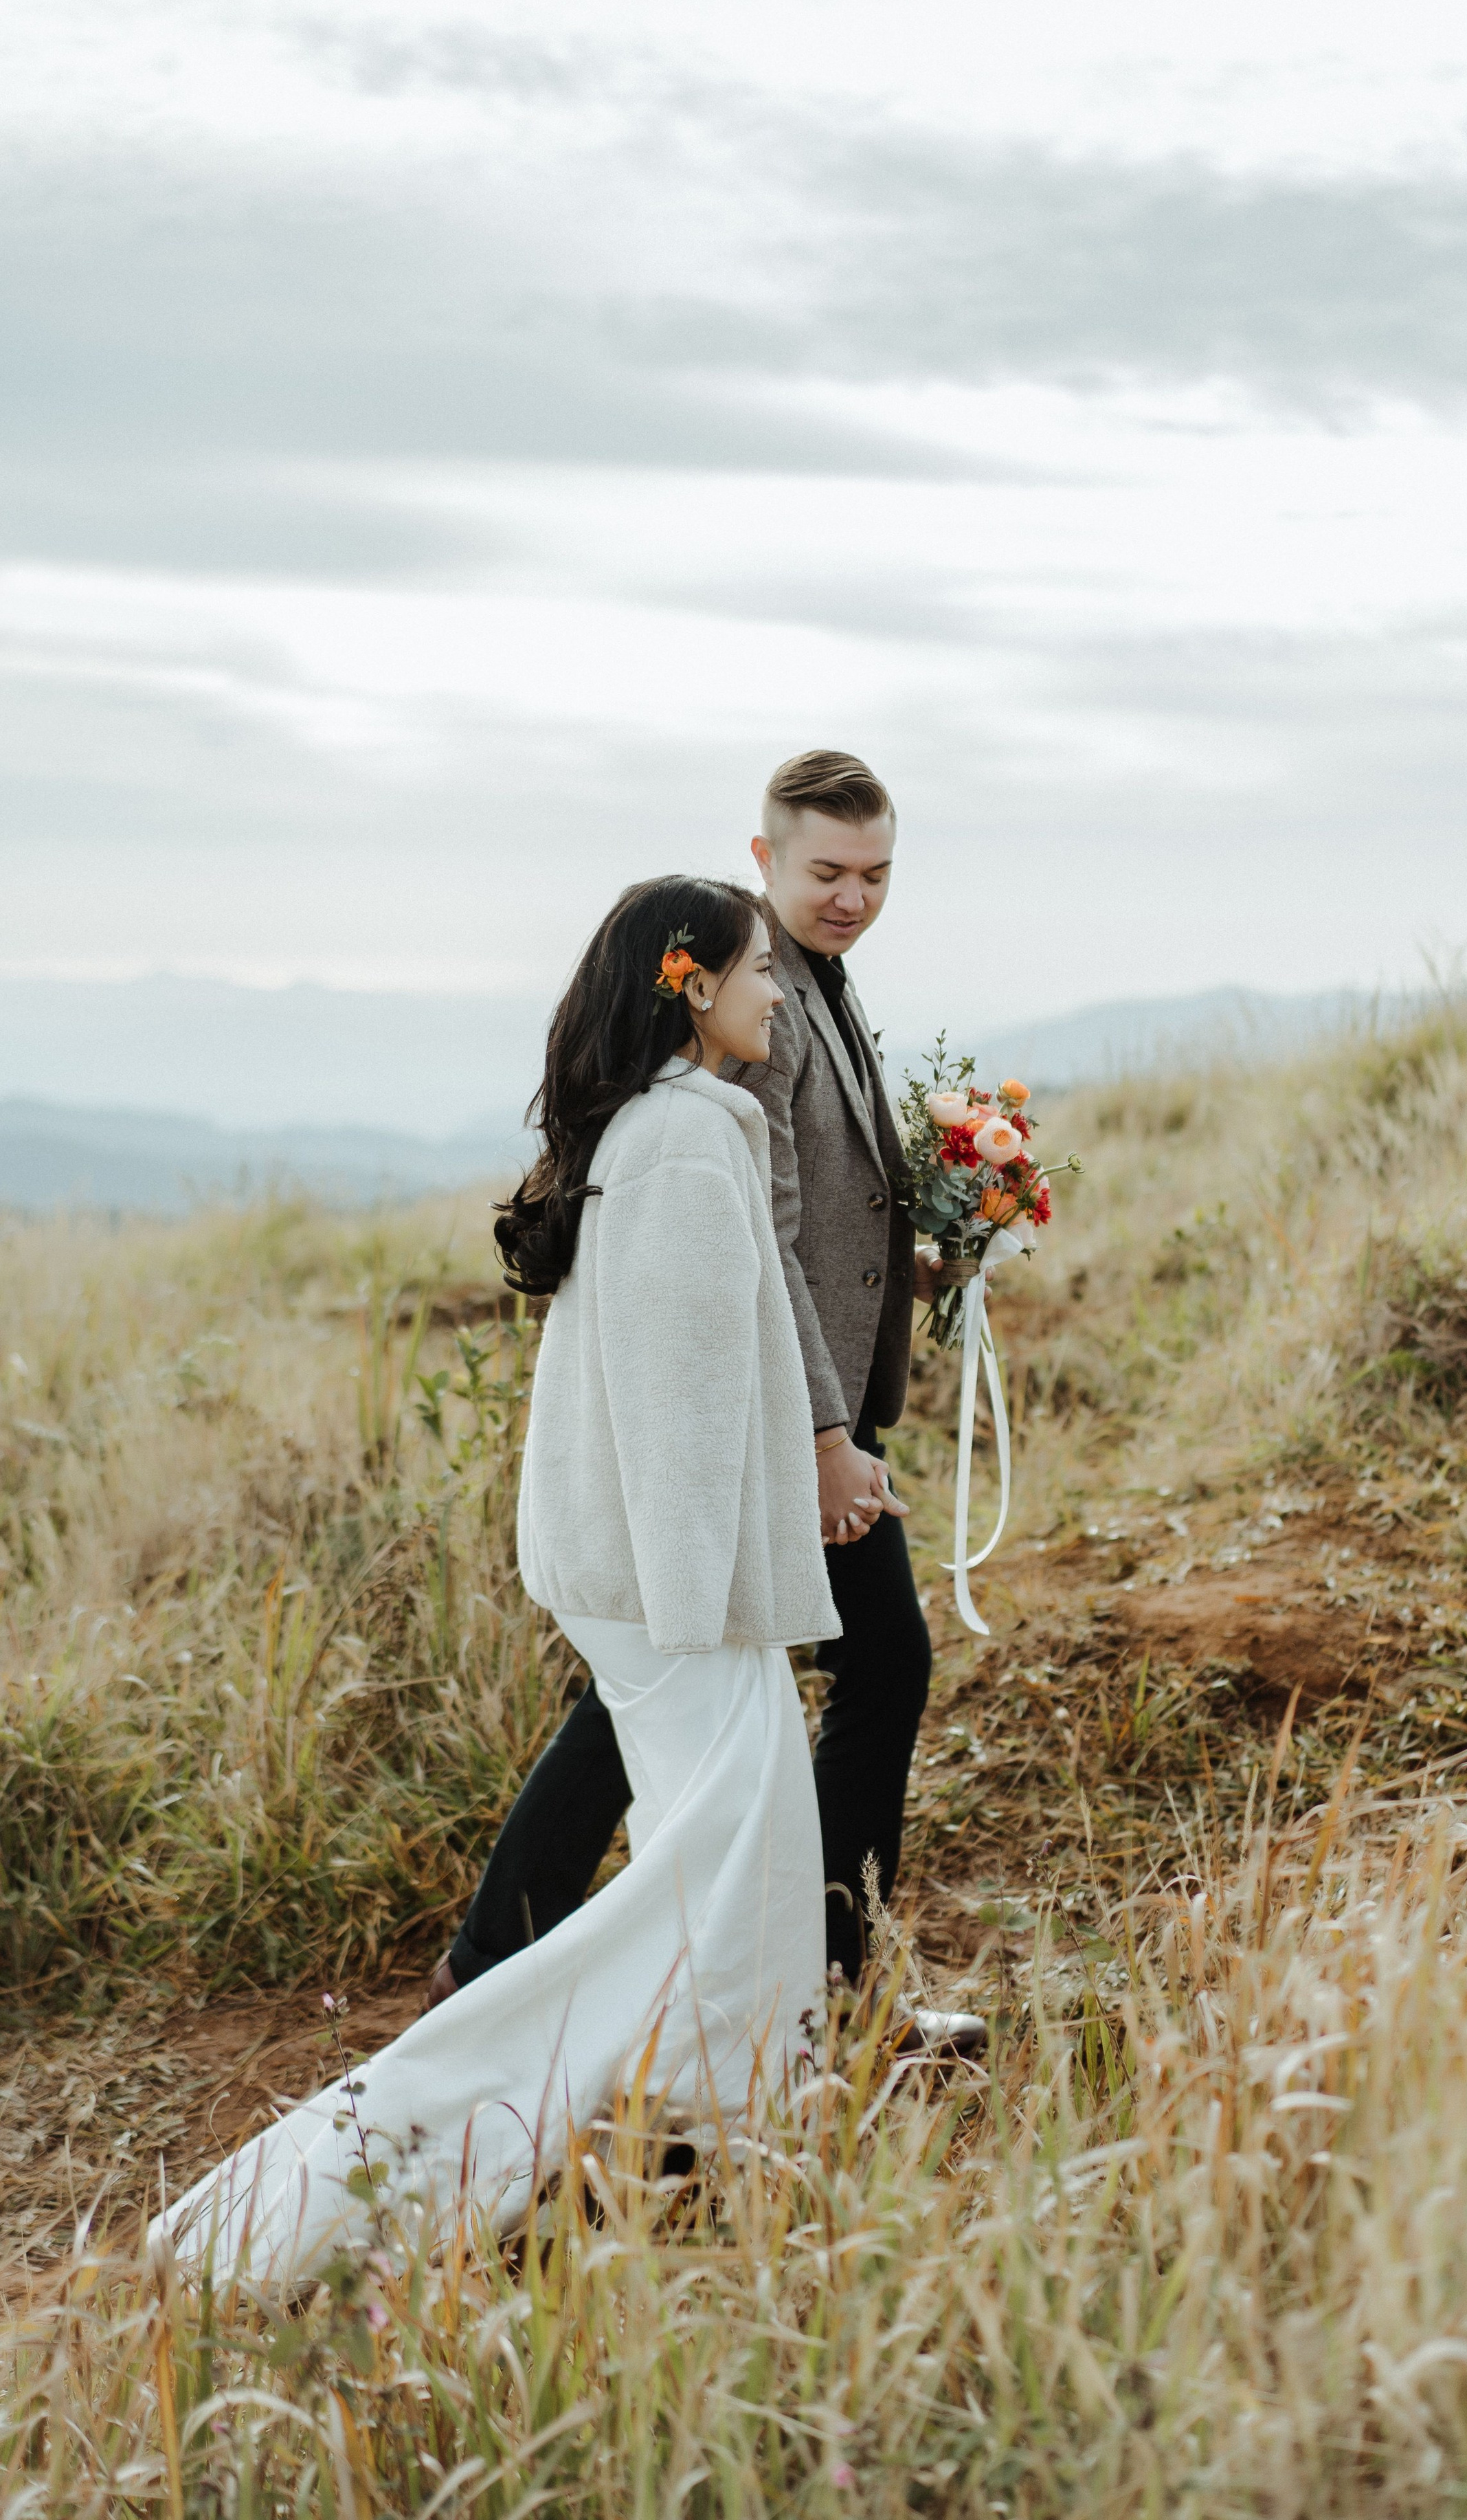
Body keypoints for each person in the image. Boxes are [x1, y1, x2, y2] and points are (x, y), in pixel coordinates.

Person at [157, 878, 837, 2282]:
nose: (779, 991)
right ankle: (369, 2171)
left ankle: (713, 2118)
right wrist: (703, 1609)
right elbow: (676, 1405)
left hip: (661, 1584)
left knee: (734, 1855)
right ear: (691, 984)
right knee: (727, 1861)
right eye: (761, 968)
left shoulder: (661, 1128)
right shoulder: (680, 1144)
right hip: (675, 1590)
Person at [428, 750, 985, 2052]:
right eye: (828, 872)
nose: (853, 898)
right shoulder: (745, 1011)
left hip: (796, 1409)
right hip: (781, 1421)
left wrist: (921, 1255)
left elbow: (799, 1215)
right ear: (765, 860)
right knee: (862, 1667)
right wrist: (826, 1438)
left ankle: (501, 1958)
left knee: (661, 1696)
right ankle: (819, 1993)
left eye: (877, 875)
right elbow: (756, 1241)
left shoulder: (810, 985)